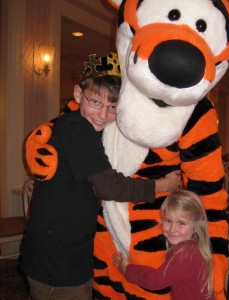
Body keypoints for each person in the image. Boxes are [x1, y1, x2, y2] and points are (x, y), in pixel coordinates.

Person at [21, 75, 181, 300]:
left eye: (113, 107)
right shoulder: (77, 129)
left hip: (60, 249)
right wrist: (164, 184)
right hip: (57, 258)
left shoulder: (75, 126)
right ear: (78, 95)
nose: (103, 114)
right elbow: (109, 187)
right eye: (95, 102)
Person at [113, 190, 215, 300]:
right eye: (168, 220)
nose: (172, 229)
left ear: (195, 226)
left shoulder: (185, 254)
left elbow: (154, 281)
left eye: (181, 223)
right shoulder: (194, 247)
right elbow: (164, 274)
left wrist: (127, 269)